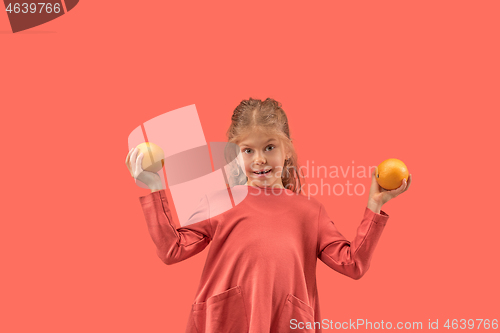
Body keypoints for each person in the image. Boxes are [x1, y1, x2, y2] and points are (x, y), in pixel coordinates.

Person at [125, 98, 412, 333]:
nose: (259, 159)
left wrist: (374, 205)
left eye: (269, 147)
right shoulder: (219, 202)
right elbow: (171, 249)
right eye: (248, 150)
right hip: (226, 323)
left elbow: (353, 265)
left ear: (287, 150)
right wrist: (154, 187)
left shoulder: (310, 212)